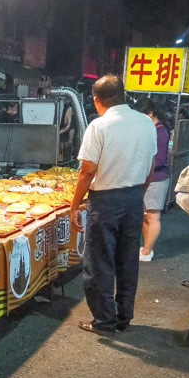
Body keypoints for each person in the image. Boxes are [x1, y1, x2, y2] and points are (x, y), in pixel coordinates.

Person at [70, 75, 157, 334]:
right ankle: (123, 317)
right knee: (128, 259)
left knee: (100, 262)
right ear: (123, 95)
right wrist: (138, 193)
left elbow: (87, 171)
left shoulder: (99, 126)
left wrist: (75, 205)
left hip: (105, 201)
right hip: (133, 198)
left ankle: (105, 321)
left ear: (97, 100)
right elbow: (151, 166)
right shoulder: (146, 123)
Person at [136, 98, 170, 262]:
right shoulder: (152, 129)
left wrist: (142, 165)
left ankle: (147, 251)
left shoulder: (160, 132)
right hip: (149, 178)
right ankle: (145, 248)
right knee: (145, 215)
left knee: (153, 216)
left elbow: (160, 160)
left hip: (156, 179)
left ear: (150, 113)